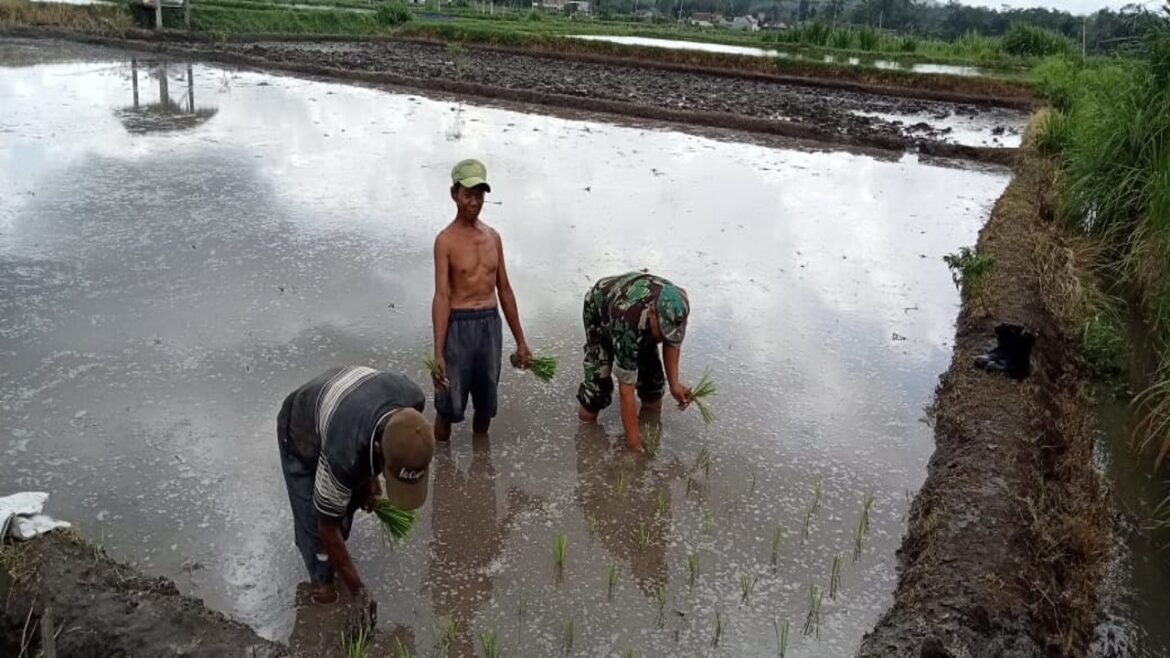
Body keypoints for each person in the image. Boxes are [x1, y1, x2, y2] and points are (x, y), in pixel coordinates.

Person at [276, 366, 435, 629]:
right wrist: (358, 590)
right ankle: (321, 604)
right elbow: (327, 527)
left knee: (344, 505)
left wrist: (369, 480)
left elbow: (377, 433)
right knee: (320, 551)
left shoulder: (413, 401)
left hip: (347, 400)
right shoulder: (344, 454)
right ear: (377, 449)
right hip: (300, 429)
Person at [431, 158, 531, 442]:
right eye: (468, 195)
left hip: (489, 325)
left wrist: (521, 341)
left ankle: (481, 468)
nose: (474, 202)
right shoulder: (445, 241)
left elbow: (506, 290)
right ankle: (443, 470)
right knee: (447, 404)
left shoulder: (493, 238)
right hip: (458, 327)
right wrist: (438, 352)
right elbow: (441, 296)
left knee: (486, 406)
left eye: (480, 195)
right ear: (454, 194)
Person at [576, 272, 692, 452]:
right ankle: (586, 443)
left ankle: (649, 430)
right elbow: (626, 391)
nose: (663, 338)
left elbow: (672, 342)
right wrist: (634, 446)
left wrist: (674, 385)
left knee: (653, 387)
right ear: (652, 312)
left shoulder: (678, 306)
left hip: (635, 312)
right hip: (600, 310)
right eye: (662, 331)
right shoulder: (627, 321)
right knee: (596, 391)